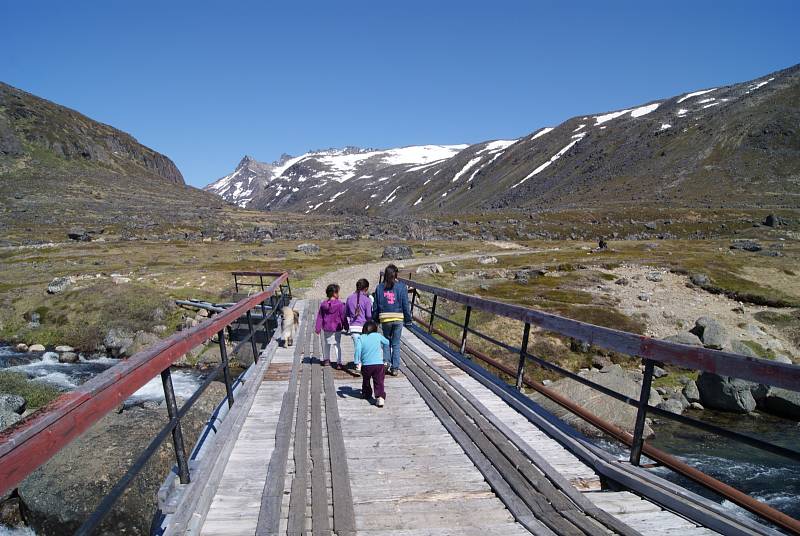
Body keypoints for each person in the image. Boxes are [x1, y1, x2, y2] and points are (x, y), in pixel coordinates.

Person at [372, 264, 412, 375]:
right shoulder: (402, 287)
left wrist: (375, 319)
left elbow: (376, 305)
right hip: (398, 318)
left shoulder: (379, 287)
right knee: (396, 343)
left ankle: (386, 362)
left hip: (385, 318)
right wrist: (408, 320)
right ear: (396, 274)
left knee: (386, 341)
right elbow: (405, 305)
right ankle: (395, 368)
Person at [354, 321, 390, 407]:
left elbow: (358, 350)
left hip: (366, 365)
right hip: (378, 364)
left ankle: (366, 393)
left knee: (366, 380)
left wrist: (357, 361)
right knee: (379, 381)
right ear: (375, 329)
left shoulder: (360, 338)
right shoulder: (378, 336)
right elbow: (387, 342)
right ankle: (380, 397)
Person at [315, 283, 348, 368]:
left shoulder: (323, 304)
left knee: (327, 344)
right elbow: (343, 316)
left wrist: (318, 328)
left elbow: (320, 317)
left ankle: (326, 360)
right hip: (337, 328)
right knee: (337, 344)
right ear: (334, 293)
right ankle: (339, 363)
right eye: (338, 292)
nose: (338, 294)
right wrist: (346, 326)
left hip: (327, 328)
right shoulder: (340, 304)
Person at [346, 278, 373, 364]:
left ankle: (358, 364)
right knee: (364, 346)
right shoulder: (367, 300)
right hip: (364, 327)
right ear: (366, 289)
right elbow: (369, 315)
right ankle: (362, 363)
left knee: (357, 346)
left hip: (353, 326)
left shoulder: (349, 298)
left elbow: (346, 313)